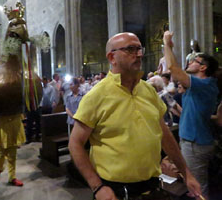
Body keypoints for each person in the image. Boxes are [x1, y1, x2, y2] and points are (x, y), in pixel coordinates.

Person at [69, 32, 201, 200]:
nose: (138, 54)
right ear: (112, 57)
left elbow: (165, 135)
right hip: (116, 192)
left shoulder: (148, 90)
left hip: (152, 188)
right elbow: (75, 143)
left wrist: (186, 173)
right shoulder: (96, 96)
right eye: (130, 49)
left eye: (139, 49)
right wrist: (97, 187)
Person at [163, 31, 219, 198]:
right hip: (193, 142)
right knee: (194, 185)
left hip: (195, 144)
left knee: (197, 189)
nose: (190, 61)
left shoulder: (205, 84)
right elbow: (187, 112)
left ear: (203, 67)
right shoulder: (197, 87)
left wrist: (166, 43)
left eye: (195, 60)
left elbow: (173, 68)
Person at [0, 114, 26, 186]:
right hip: (3, 124)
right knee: (1, 153)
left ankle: (12, 177)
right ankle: (0, 168)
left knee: (12, 155)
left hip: (15, 124)